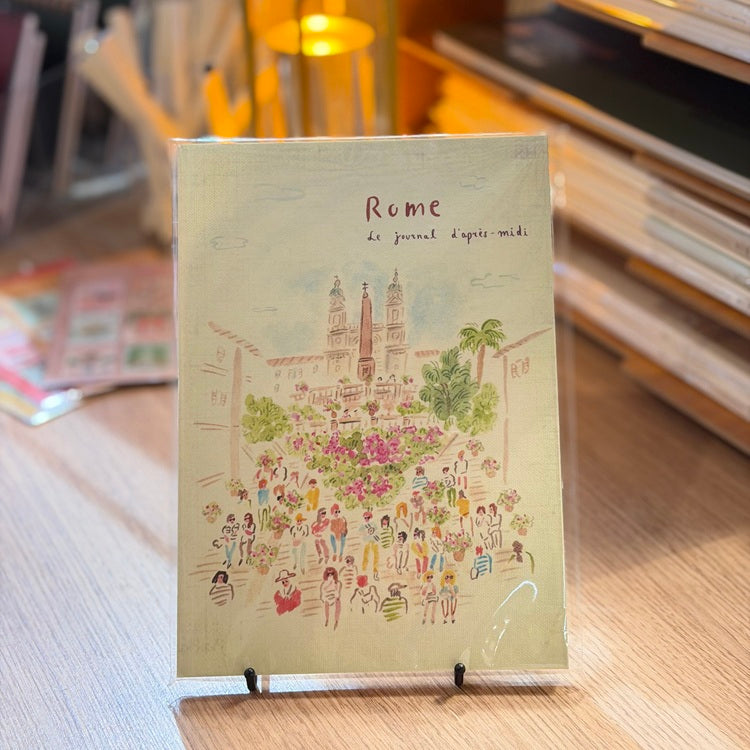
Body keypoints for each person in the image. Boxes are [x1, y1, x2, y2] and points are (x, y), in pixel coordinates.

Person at [359, 510, 380, 580]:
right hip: (367, 542)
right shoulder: (363, 525)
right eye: (365, 518)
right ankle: (364, 570)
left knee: (376, 556)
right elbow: (361, 532)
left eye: (368, 517)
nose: (366, 519)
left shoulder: (373, 524)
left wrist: (374, 535)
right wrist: (366, 533)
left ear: (370, 517)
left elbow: (377, 531)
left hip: (374, 541)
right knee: (366, 556)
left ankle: (375, 571)